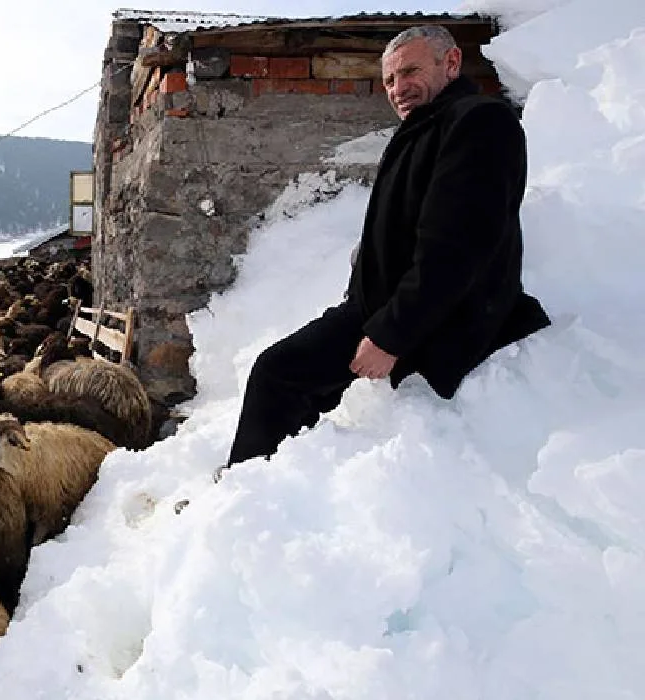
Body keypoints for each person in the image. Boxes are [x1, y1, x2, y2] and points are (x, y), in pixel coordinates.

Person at [223, 25, 550, 469]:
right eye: (390, 80)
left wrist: (391, 333)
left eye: (410, 71)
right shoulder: (426, 128)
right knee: (285, 377)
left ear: (451, 63)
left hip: (434, 316)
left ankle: (250, 489)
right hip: (379, 304)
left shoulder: (479, 122)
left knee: (278, 375)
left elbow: (456, 247)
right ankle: (279, 481)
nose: (398, 89)